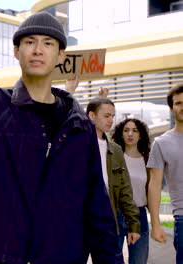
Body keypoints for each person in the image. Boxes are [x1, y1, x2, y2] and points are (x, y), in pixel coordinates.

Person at [0, 1, 122, 263]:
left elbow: (96, 205)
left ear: (60, 56)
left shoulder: (79, 125)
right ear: (16, 52)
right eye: (30, 42)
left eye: (48, 43)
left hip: (59, 255)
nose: (38, 50)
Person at [86, 98, 141, 243]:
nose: (111, 120)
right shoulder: (77, 145)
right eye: (106, 116)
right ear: (92, 116)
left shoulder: (115, 150)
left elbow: (125, 190)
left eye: (112, 116)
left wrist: (133, 223)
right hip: (81, 223)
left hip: (108, 222)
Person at [147, 83, 183, 264]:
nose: (182, 107)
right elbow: (154, 184)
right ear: (171, 109)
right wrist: (155, 224)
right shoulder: (161, 143)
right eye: (178, 103)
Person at [112, 118, 151, 264]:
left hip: (139, 214)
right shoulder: (114, 157)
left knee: (139, 261)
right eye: (126, 130)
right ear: (121, 134)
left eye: (135, 130)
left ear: (140, 135)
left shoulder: (147, 160)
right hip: (116, 214)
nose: (130, 134)